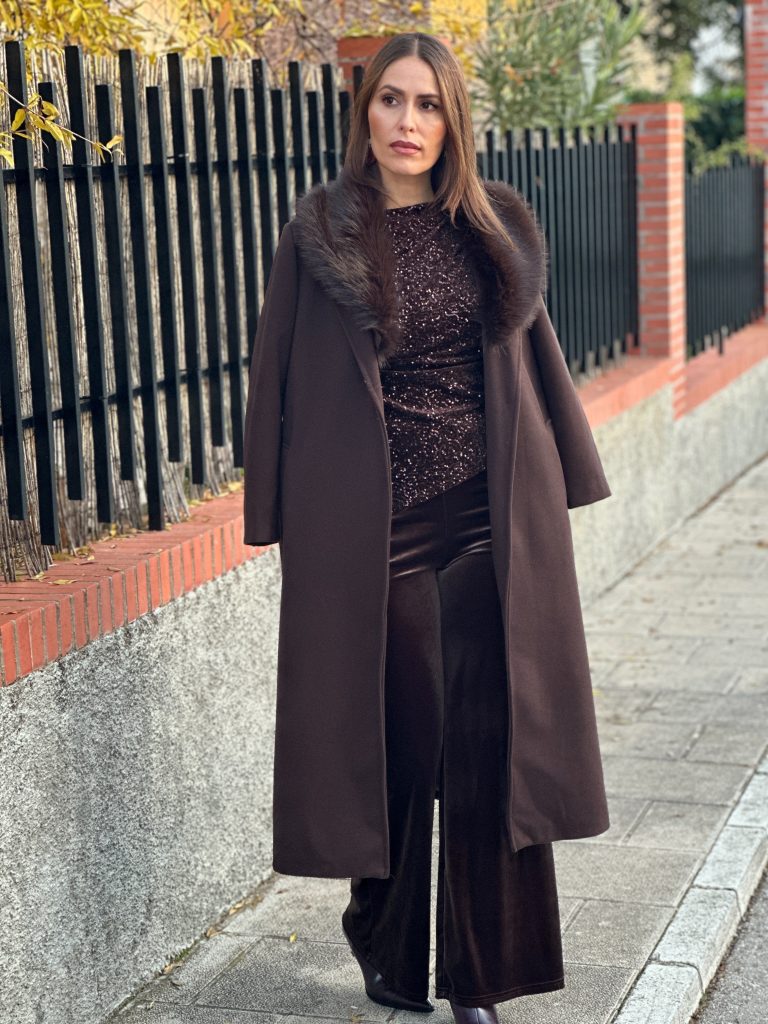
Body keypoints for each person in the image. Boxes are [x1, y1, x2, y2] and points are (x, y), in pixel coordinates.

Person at [243, 31, 613, 1024]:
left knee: (491, 743)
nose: (407, 121)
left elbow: (537, 365)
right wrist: (270, 510)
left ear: (454, 122)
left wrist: (570, 475)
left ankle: (482, 979)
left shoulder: (491, 228)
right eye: (391, 100)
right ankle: (386, 935)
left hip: (490, 517)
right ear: (364, 111)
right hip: (379, 530)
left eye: (428, 104)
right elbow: (276, 373)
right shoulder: (320, 233)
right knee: (408, 742)